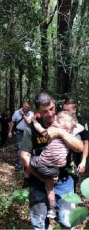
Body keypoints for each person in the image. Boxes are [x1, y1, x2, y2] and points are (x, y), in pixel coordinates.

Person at [21, 92, 83, 229]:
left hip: (65, 180)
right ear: (38, 111)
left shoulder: (64, 121)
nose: (50, 114)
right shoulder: (31, 130)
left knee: (67, 221)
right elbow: (25, 157)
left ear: (55, 104)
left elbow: (80, 147)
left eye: (52, 109)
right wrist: (44, 178)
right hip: (38, 180)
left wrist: (61, 133)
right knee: (39, 223)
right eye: (45, 111)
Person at [30, 111, 84, 219]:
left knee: (32, 162)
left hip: (45, 165)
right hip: (57, 168)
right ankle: (52, 209)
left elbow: (39, 128)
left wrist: (34, 120)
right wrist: (66, 125)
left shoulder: (66, 134)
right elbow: (80, 127)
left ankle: (51, 209)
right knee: (50, 188)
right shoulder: (65, 132)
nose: (56, 120)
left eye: (60, 120)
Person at [62, 97, 89, 191]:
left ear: (74, 109)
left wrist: (83, 161)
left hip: (75, 157)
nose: (65, 113)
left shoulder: (81, 122)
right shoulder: (60, 120)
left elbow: (86, 142)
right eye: (63, 110)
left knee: (73, 180)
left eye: (67, 110)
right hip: (61, 156)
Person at [8, 101, 34, 171]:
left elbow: (29, 121)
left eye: (27, 107)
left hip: (27, 133)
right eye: (25, 106)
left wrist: (23, 115)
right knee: (19, 148)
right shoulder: (16, 112)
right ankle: (19, 166)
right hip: (19, 132)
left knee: (27, 149)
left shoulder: (31, 113)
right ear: (23, 105)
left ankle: (26, 166)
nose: (26, 108)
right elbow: (12, 122)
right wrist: (10, 131)